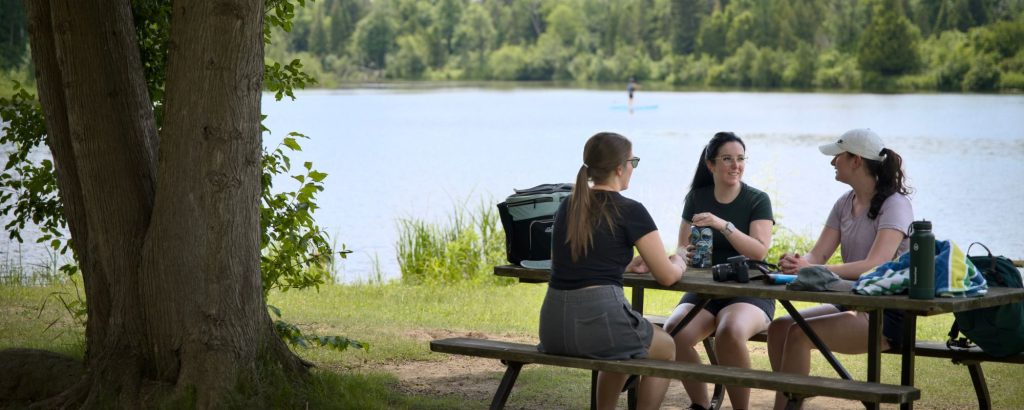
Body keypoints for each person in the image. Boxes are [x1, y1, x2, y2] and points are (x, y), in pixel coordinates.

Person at [766, 128, 913, 410]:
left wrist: (818, 270)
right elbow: (819, 253)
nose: (832, 162)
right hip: (853, 301)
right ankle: (791, 395)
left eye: (838, 156)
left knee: (799, 334)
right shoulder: (845, 202)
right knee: (779, 327)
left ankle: (787, 404)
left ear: (856, 160)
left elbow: (876, 264)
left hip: (886, 312)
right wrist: (800, 264)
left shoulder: (896, 204)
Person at [538, 132, 686, 410]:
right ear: (620, 168)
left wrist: (622, 264)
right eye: (633, 162)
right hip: (600, 322)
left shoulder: (567, 205)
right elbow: (667, 275)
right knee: (665, 349)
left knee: (621, 347)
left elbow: (562, 261)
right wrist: (679, 260)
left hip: (553, 327)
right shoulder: (631, 210)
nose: (633, 169)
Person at [661, 131, 775, 410]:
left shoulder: (757, 199)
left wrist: (722, 224)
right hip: (705, 290)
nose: (736, 165)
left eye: (740, 159)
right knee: (674, 331)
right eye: (727, 159)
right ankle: (701, 405)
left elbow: (759, 251)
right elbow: (681, 246)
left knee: (730, 330)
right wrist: (680, 255)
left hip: (749, 290)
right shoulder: (697, 197)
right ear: (710, 164)